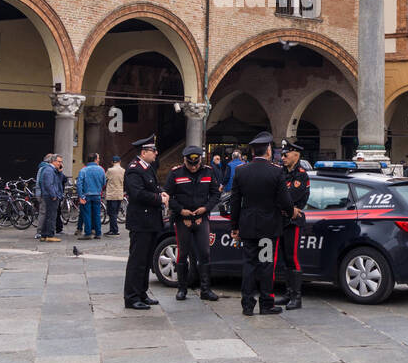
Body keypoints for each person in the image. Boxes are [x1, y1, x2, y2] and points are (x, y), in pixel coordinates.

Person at [229, 131, 294, 316]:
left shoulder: (241, 171)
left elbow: (235, 201)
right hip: (268, 228)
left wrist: (234, 226)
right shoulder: (276, 171)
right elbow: (285, 200)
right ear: (268, 150)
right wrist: (290, 213)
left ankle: (247, 305)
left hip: (248, 227)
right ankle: (266, 303)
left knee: (248, 265)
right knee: (266, 264)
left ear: (252, 151)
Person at [165, 146, 220, 302]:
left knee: (205, 253)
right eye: (191, 164)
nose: (194, 167)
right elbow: (167, 194)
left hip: (201, 218)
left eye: (196, 164)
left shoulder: (208, 172)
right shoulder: (176, 173)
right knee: (182, 254)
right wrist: (181, 210)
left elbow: (216, 193)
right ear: (185, 160)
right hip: (183, 219)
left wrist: (206, 208)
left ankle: (205, 289)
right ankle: (182, 289)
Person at [123, 134, 168, 310]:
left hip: (150, 222)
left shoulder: (147, 167)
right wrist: (159, 199)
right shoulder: (134, 169)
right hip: (141, 222)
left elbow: (153, 187)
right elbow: (138, 194)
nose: (156, 153)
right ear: (144, 152)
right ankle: (132, 297)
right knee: (137, 261)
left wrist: (161, 193)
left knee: (146, 260)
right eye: (153, 150)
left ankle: (142, 292)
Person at [275, 140, 310, 309]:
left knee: (292, 258)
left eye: (286, 154)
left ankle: (296, 298)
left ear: (296, 155)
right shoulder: (281, 172)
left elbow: (291, 197)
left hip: (293, 222)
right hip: (280, 221)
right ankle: (288, 293)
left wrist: (285, 204)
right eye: (282, 155)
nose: (283, 157)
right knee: (284, 259)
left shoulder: (301, 174)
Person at [76, 152, 106, 240]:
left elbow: (79, 184)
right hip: (97, 194)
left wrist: (81, 196)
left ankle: (88, 233)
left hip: (87, 195)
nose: (99, 160)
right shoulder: (101, 169)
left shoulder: (84, 170)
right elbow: (104, 182)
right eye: (98, 158)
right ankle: (98, 232)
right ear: (95, 159)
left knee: (87, 214)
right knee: (97, 214)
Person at [36, 153, 64, 242]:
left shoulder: (54, 170)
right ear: (53, 161)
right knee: (51, 216)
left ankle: (44, 235)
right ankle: (49, 235)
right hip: (50, 196)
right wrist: (54, 195)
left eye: (61, 162)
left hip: (51, 195)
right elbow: (48, 184)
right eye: (59, 161)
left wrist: (60, 172)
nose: (60, 163)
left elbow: (60, 180)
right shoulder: (49, 170)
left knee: (48, 215)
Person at [104, 155, 126, 236]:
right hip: (119, 194)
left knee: (111, 213)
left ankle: (114, 230)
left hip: (111, 194)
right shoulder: (123, 170)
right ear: (120, 161)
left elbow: (105, 179)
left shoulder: (110, 170)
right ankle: (113, 229)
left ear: (112, 162)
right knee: (115, 212)